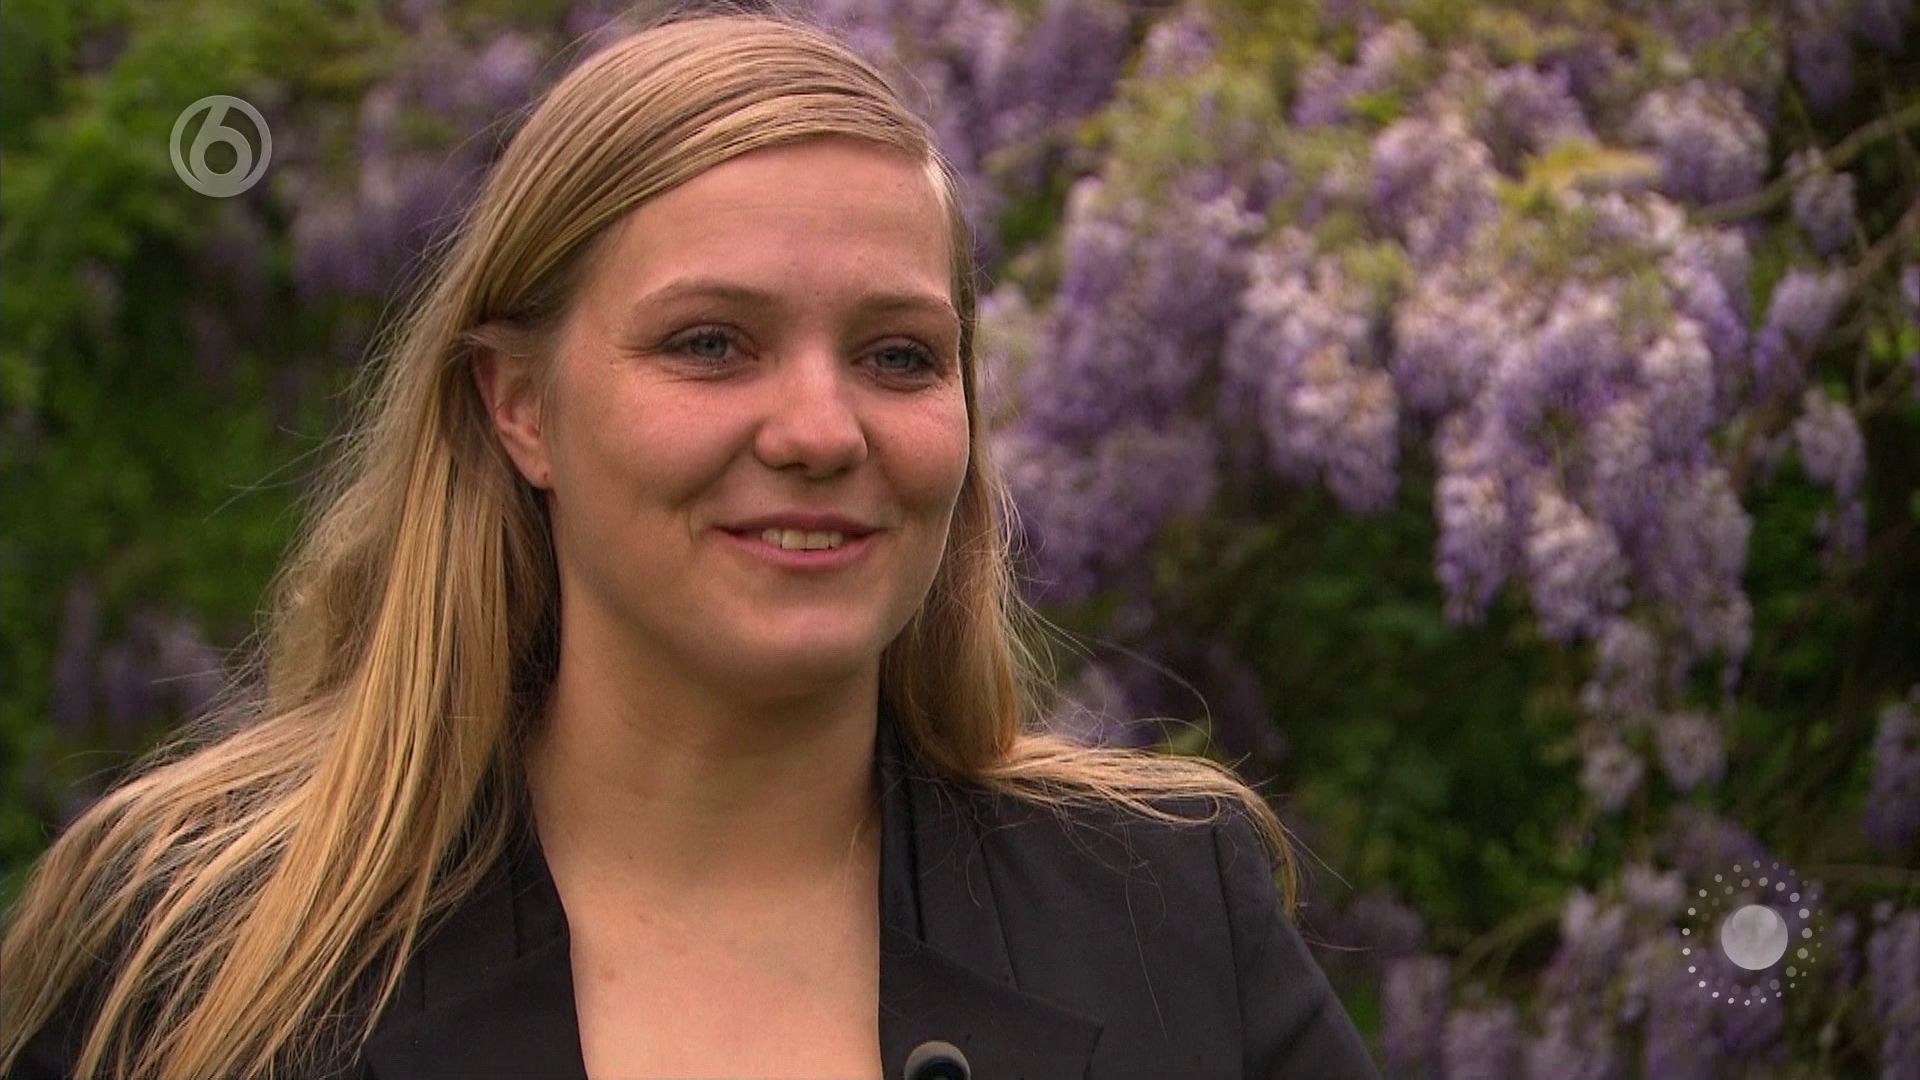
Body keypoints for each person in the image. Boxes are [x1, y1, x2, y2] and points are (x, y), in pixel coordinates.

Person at [1, 5, 1382, 1078]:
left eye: (900, 356)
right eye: (711, 344)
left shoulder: (1163, 914)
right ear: (519, 406)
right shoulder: (201, 942)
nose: (821, 430)